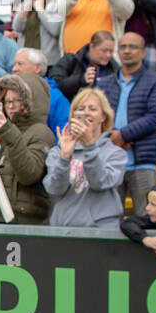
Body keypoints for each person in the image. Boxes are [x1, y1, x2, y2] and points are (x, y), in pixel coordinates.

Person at [95, 32, 156, 213]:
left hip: (142, 162)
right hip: (109, 161)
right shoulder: (103, 83)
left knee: (147, 217)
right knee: (109, 220)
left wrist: (123, 135)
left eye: (133, 47)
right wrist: (110, 137)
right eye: (123, 47)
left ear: (143, 52)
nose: (127, 51)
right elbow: (95, 117)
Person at [44, 87, 128, 228]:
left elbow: (99, 182)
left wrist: (89, 146)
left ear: (103, 117)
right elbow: (54, 189)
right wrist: (64, 158)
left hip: (100, 228)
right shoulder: (58, 151)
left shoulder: (116, 153)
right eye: (81, 109)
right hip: (63, 228)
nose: (86, 113)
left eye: (92, 109)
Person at [0, 75, 54, 225]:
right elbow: (2, 177)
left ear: (31, 102)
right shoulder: (7, 131)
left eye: (17, 100)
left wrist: (8, 132)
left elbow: (29, 174)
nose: (11, 106)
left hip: (21, 220)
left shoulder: (41, 132)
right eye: (7, 101)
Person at [13, 46, 70, 133]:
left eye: (20, 64)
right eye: (14, 64)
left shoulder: (54, 97)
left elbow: (63, 131)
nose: (14, 69)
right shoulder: (11, 93)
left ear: (37, 68)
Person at [48, 30, 116, 103]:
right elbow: (54, 85)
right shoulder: (71, 61)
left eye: (111, 51)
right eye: (104, 51)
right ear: (91, 46)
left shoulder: (115, 69)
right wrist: (81, 80)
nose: (108, 55)